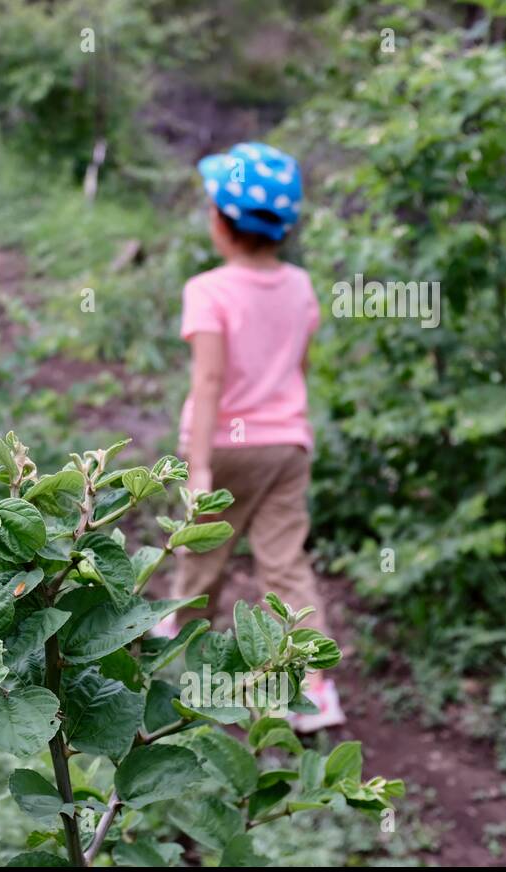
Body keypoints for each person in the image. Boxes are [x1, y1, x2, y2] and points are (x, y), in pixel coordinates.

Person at [168, 142, 344, 732]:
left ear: (221, 222)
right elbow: (299, 364)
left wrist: (197, 469)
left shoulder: (209, 290)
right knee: (284, 564)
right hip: (286, 446)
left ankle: (183, 662)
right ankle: (314, 689)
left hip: (224, 446)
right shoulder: (300, 287)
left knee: (203, 554)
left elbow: (211, 379)